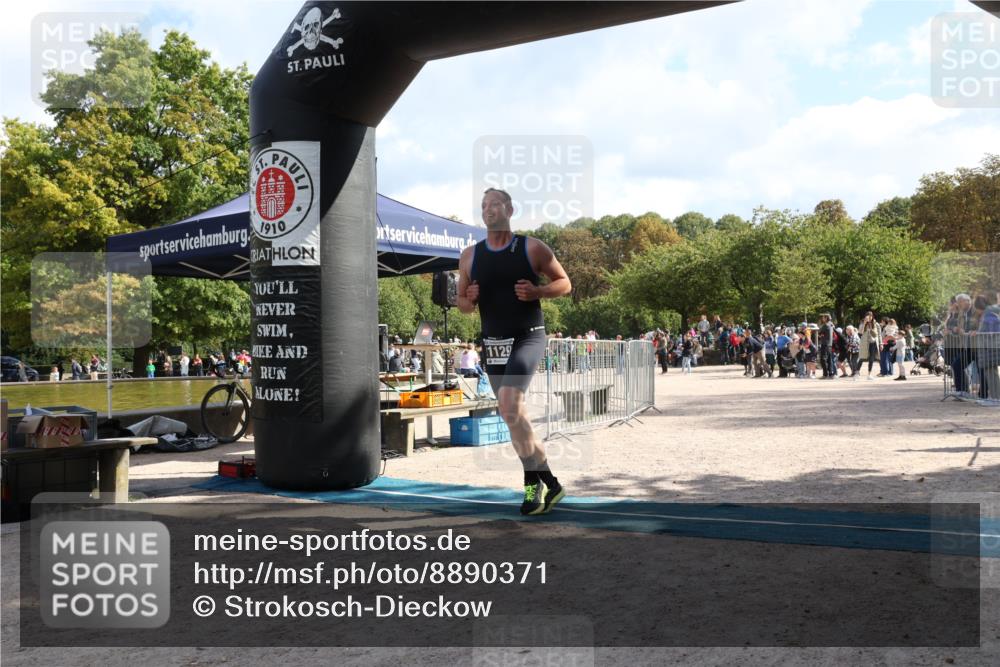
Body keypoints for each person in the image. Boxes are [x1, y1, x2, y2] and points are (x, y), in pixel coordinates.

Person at [457, 187, 572, 516]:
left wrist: (538, 291)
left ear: (509, 209)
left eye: (494, 204)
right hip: (493, 343)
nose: (487, 209)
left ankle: (531, 485)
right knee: (512, 416)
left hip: (528, 336)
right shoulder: (469, 255)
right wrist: (470, 298)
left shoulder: (531, 247)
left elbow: (564, 282)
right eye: (483, 205)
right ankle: (550, 480)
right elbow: (461, 303)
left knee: (508, 403)